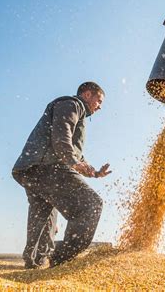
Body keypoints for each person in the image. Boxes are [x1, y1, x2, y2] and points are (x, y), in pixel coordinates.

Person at [12, 81, 111, 269]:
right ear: (87, 94)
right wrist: (73, 162)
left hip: (30, 170)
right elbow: (61, 135)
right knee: (91, 205)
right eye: (99, 101)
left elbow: (76, 153)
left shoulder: (74, 111)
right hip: (47, 166)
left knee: (43, 215)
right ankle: (60, 261)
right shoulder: (72, 104)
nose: (100, 107)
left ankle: (35, 262)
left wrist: (94, 172)